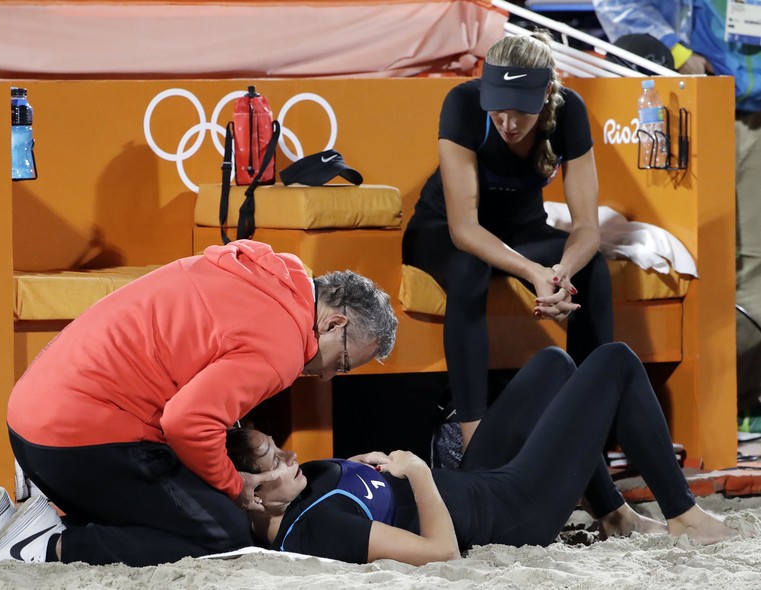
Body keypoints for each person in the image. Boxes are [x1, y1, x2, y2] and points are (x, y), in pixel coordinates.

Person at [0, 239, 397, 570]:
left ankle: (16, 518)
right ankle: (49, 544)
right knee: (221, 533)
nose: (329, 376)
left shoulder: (266, 271)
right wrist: (235, 486)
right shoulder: (282, 344)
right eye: (342, 363)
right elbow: (188, 422)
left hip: (31, 421)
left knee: (176, 500)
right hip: (77, 439)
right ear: (333, 321)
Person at [226, 343, 744, 565]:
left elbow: (366, 492)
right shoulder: (317, 526)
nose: (292, 456)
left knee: (553, 364)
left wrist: (365, 466)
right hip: (510, 511)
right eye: (275, 460)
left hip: (475, 482)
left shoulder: (298, 492)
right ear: (250, 495)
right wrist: (419, 474)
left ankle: (612, 516)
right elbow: (441, 554)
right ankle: (685, 516)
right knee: (615, 362)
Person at [401, 31, 613, 450]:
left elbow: (587, 227)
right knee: (469, 270)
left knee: (594, 268)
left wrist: (562, 270)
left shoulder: (569, 111)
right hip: (441, 228)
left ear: (547, 93)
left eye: (521, 113)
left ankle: (590, 436)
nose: (508, 124)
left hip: (523, 229)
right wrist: (534, 272)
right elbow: (465, 230)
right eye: (498, 110)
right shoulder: (462, 103)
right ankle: (476, 446)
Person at [592, 0, 761, 422]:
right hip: (708, 107)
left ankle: (731, 406)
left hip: (742, 112)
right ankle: (716, 409)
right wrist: (681, 56)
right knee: (735, 271)